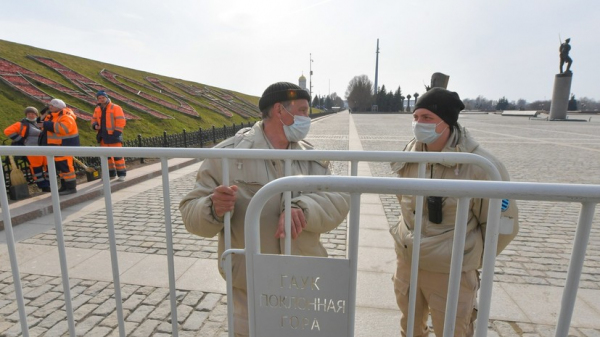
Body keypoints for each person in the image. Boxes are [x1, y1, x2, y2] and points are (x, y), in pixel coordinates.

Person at [179, 82, 350, 337]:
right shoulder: (229, 155)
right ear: (280, 111)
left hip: (301, 282)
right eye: (302, 111)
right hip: (251, 283)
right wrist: (212, 208)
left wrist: (303, 208)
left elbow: (339, 198)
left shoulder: (312, 158)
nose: (307, 118)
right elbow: (189, 210)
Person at [389, 88, 519, 337]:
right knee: (410, 329)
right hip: (408, 263)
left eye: (427, 118)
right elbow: (403, 203)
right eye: (415, 117)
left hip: (451, 272)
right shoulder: (410, 153)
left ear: (446, 122)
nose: (418, 124)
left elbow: (501, 226)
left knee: (453, 332)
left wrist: (468, 259)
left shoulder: (481, 165)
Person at [39, 98, 80, 195]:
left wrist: (47, 124)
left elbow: (63, 129)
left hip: (64, 146)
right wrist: (41, 119)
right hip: (56, 146)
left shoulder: (66, 116)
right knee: (61, 168)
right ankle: (64, 186)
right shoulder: (51, 116)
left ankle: (71, 187)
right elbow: (42, 126)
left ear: (58, 107)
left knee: (66, 168)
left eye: (52, 106)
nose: (50, 107)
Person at [3, 106, 50, 192]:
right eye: (29, 114)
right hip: (31, 149)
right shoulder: (21, 124)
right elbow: (7, 131)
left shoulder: (39, 123)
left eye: (33, 113)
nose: (31, 115)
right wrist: (21, 140)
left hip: (43, 148)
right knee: (37, 168)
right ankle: (43, 186)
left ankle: (49, 183)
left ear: (36, 115)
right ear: (26, 115)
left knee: (48, 166)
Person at [92, 90, 127, 181]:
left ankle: (121, 174)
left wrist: (117, 133)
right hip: (103, 136)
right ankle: (111, 174)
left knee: (118, 157)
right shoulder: (97, 109)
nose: (101, 100)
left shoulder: (115, 107)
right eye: (99, 98)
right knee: (107, 158)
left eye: (103, 98)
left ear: (106, 97)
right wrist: (95, 125)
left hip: (114, 135)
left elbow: (121, 121)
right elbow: (94, 119)